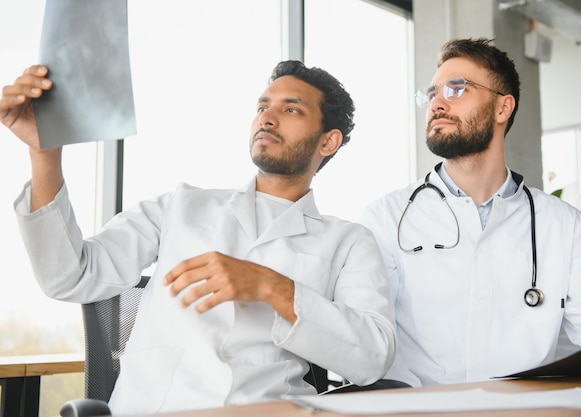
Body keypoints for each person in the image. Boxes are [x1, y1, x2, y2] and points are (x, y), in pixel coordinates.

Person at [1, 61, 397, 414]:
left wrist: (269, 286)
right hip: (158, 408)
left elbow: (372, 359)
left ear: (328, 141)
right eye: (262, 107)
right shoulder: (179, 206)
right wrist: (44, 154)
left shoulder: (349, 241)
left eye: (290, 109)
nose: (267, 118)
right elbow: (70, 276)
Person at [360, 38, 581, 387]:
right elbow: (365, 346)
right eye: (431, 93)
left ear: (503, 108)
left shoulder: (564, 226)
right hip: (420, 412)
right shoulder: (385, 218)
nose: (437, 102)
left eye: (456, 89)